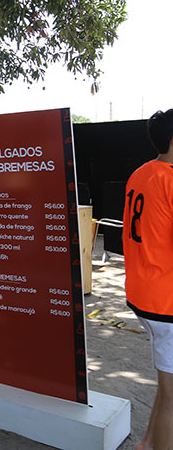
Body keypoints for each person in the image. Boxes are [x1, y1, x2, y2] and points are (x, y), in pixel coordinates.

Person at [123, 108, 173, 450]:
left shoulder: (139, 174)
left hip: (143, 292)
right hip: (166, 300)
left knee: (168, 384)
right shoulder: (170, 179)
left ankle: (146, 443)